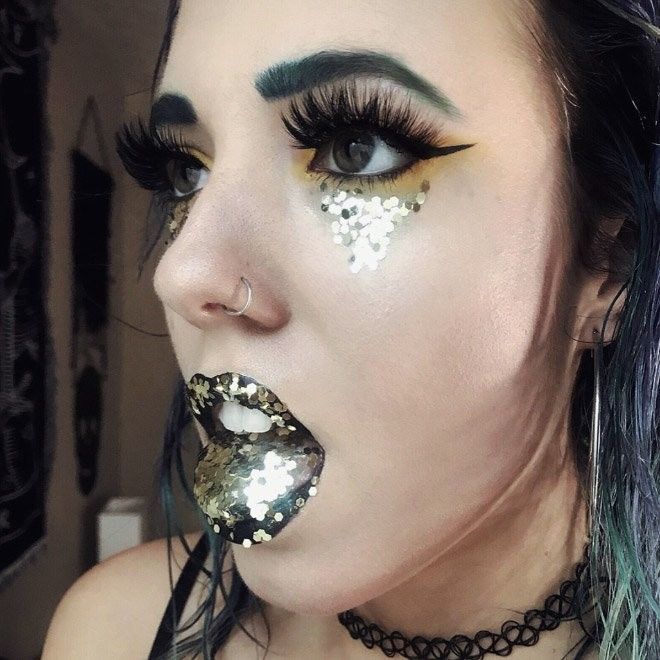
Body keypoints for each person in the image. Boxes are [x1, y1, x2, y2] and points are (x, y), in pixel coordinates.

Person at [43, 1, 660, 658]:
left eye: (355, 150)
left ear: (611, 260)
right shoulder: (113, 632)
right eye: (186, 170)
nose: (183, 274)